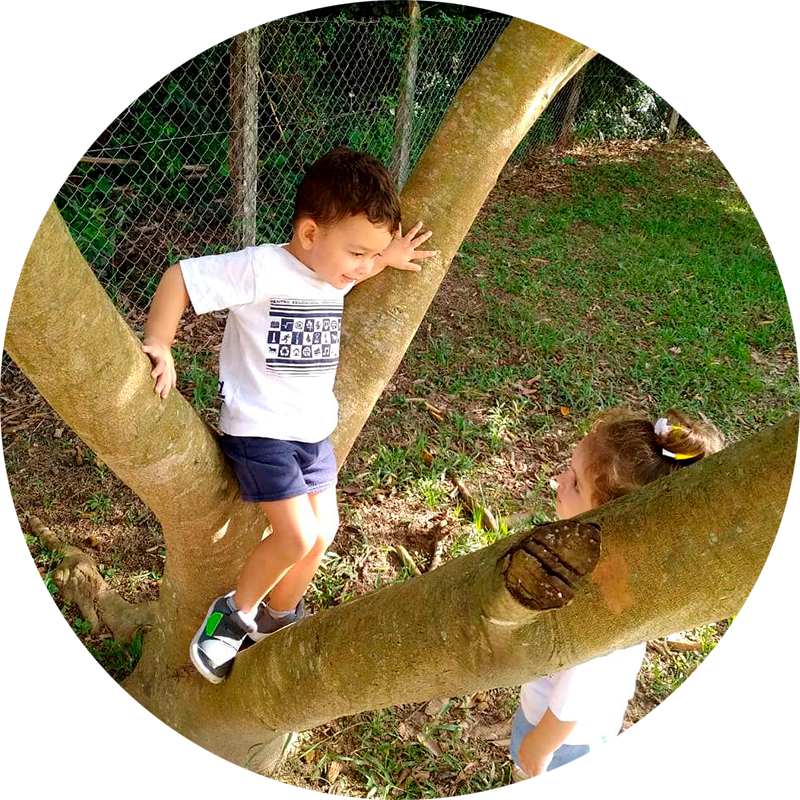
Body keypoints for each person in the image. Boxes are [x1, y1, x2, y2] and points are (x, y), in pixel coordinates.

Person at [140, 147, 437, 684]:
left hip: (312, 432)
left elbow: (362, 265)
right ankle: (232, 616)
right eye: (358, 253)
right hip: (261, 431)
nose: (364, 266)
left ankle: (277, 617)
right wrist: (160, 342)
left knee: (325, 531)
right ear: (309, 234)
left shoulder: (335, 269)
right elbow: (181, 277)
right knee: (298, 536)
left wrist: (386, 255)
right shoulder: (263, 267)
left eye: (372, 254)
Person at [511, 407, 725, 798]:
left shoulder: (603, 602)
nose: (559, 481)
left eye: (576, 484)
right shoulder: (613, 569)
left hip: (562, 741)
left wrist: (540, 746)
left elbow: (579, 692)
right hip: (562, 724)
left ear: (614, 521)